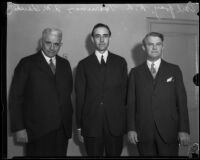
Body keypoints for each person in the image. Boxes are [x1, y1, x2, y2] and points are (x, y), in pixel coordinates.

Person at [9, 28, 73, 157]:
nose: (52, 47)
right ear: (41, 42)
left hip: (62, 129)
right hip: (37, 130)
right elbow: (15, 98)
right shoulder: (26, 63)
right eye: (48, 43)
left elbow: (67, 92)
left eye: (56, 44)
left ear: (60, 44)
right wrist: (19, 128)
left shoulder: (65, 64)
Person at [127, 32, 190, 156]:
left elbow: (182, 102)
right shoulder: (135, 73)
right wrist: (131, 128)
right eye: (150, 44)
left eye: (158, 44)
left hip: (169, 131)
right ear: (144, 47)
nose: (155, 48)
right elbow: (131, 104)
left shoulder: (174, 70)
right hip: (143, 132)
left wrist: (184, 129)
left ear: (162, 47)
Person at [75, 23, 128, 156]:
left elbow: (125, 95)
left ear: (110, 38)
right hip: (91, 125)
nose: (102, 40)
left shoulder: (121, 62)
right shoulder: (83, 65)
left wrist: (126, 125)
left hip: (115, 126)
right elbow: (80, 97)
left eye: (105, 36)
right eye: (97, 36)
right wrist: (80, 126)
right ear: (92, 39)